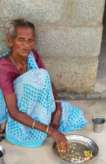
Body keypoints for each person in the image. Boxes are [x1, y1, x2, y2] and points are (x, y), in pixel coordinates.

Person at [0, 19, 87, 152]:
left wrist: (57, 110)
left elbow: (48, 82)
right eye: (21, 40)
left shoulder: (32, 56)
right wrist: (51, 131)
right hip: (16, 112)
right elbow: (14, 112)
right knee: (39, 75)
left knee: (75, 116)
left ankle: (44, 117)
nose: (26, 45)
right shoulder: (4, 67)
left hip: (35, 105)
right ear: (10, 41)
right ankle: (37, 124)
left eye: (30, 40)